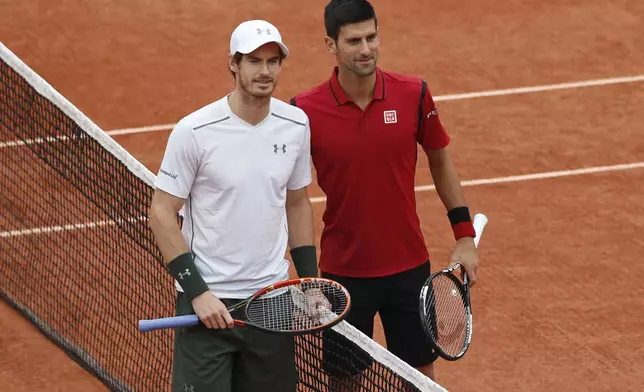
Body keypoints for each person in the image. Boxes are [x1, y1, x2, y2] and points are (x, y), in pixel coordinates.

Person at [289, 0, 480, 386]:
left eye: (372, 37)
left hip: (410, 270)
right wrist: (309, 278)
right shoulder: (303, 112)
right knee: (344, 382)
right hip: (344, 276)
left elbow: (441, 161)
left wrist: (464, 238)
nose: (366, 49)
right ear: (331, 45)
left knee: (418, 379)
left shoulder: (413, 94)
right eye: (354, 40)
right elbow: (293, 198)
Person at [149, 19, 318, 392]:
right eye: (254, 61)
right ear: (233, 64)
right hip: (208, 303)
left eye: (273, 61)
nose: (264, 71)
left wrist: (308, 281)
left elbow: (297, 202)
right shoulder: (194, 132)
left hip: (271, 301)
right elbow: (161, 212)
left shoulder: (295, 125)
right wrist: (198, 292)